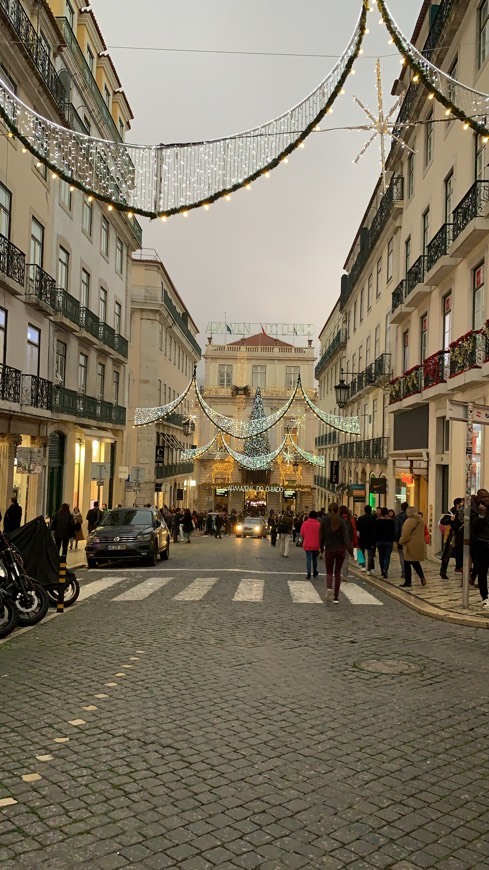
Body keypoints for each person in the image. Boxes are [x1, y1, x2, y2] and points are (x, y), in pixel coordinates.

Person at [319, 503, 353, 603]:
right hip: (341, 550)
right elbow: (346, 538)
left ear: (328, 510)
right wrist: (351, 552)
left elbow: (321, 537)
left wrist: (321, 549)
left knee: (329, 571)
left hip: (329, 549)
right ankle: (336, 597)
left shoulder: (324, 521)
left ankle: (329, 588)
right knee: (337, 572)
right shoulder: (341, 521)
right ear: (338, 510)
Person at [399, 506, 427, 588]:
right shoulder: (420, 520)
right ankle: (422, 577)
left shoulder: (410, 521)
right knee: (415, 562)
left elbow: (406, 533)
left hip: (410, 544)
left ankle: (408, 582)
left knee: (407, 563)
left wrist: (401, 541)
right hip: (418, 544)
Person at [470, 490, 489, 606]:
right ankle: (484, 596)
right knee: (482, 572)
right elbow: (475, 527)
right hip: (481, 544)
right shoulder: (474, 510)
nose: (486, 499)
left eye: (488, 496)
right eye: (484, 497)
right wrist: (481, 515)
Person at [375, 507, 395, 578]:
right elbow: (393, 531)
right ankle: (385, 570)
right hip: (389, 541)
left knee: (381, 556)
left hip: (380, 541)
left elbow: (375, 531)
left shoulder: (378, 521)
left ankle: (382, 570)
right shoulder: (391, 521)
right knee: (387, 556)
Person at [356, 504, 376, 575]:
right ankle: (369, 569)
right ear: (371, 510)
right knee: (370, 554)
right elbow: (375, 529)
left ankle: (363, 566)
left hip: (362, 538)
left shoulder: (361, 518)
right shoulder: (373, 518)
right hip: (371, 538)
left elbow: (357, 528)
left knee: (361, 552)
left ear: (364, 510)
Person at [339, 505, 358, 582]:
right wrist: (355, 542)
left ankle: (339, 574)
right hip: (348, 541)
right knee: (346, 559)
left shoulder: (337, 518)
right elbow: (354, 531)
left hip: (338, 542)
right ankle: (345, 576)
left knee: (338, 559)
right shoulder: (351, 519)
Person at [300, 510, 321, 579]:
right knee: (314, 559)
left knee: (308, 558)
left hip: (307, 543)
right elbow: (321, 534)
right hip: (316, 544)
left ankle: (308, 573)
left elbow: (302, 533)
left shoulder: (305, 523)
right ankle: (315, 571)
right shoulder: (318, 524)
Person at [394, 501, 409, 579]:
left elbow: (396, 529)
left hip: (401, 539)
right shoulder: (411, 517)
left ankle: (404, 571)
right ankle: (408, 571)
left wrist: (396, 540)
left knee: (402, 556)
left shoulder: (398, 517)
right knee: (409, 556)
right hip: (410, 540)